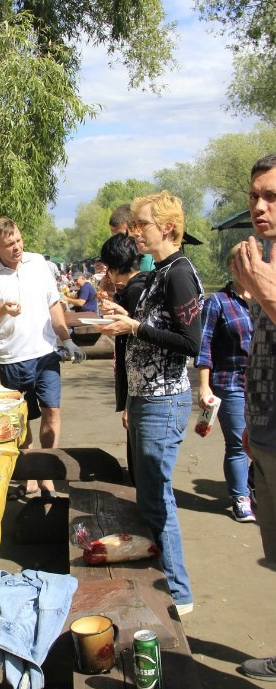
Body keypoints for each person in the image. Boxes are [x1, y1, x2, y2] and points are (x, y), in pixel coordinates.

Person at [100, 192, 203, 616]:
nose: (136, 231)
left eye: (143, 224)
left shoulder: (179, 273)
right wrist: (119, 318)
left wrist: (136, 326)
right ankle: (154, 580)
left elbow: (190, 344)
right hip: (144, 398)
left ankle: (178, 593)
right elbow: (144, 329)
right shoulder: (158, 271)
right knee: (145, 496)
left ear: (167, 228)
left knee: (158, 497)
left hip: (165, 400)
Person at [0, 216, 84, 501]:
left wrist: (66, 339)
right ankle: (30, 474)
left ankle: (46, 472)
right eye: (9, 244)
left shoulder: (39, 264)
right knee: (21, 420)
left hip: (46, 353)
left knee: (52, 411)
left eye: (19, 240)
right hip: (12, 356)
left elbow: (53, 304)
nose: (17, 248)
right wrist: (1, 310)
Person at [231, 155, 276, 680]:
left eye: (271, 196)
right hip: (264, 429)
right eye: (254, 196)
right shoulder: (265, 254)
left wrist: (262, 288)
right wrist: (249, 414)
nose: (259, 207)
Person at [195, 245, 255, 523]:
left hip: (263, 384)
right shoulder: (218, 302)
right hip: (230, 383)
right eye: (244, 263)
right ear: (233, 267)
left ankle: (253, 486)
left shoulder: (266, 298)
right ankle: (240, 497)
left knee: (263, 443)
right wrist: (204, 386)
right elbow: (204, 345)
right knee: (238, 443)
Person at [98, 233, 149, 481]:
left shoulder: (135, 289)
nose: (107, 273)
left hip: (138, 387)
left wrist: (129, 403)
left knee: (139, 459)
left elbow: (135, 350)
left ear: (116, 266)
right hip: (139, 388)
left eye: (108, 266)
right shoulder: (143, 285)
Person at [109, 204, 155, 271]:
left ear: (135, 228)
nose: (117, 242)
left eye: (122, 236)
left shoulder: (150, 259)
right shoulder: (120, 258)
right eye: (114, 237)